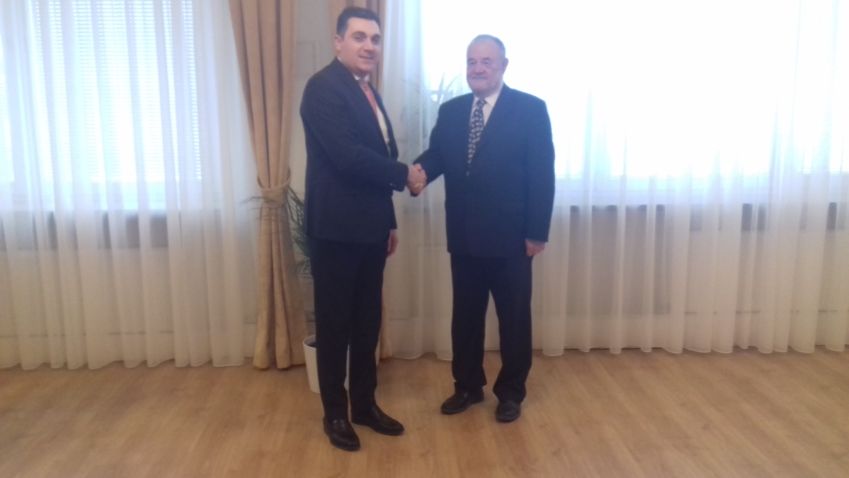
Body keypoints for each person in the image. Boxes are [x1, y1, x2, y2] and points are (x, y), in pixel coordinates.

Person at [300, 6, 425, 451]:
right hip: (335, 231)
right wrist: (405, 174)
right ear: (338, 42)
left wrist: (388, 222)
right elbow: (348, 157)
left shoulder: (368, 90)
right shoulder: (323, 88)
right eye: (358, 37)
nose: (369, 46)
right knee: (335, 325)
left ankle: (365, 405)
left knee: (368, 321)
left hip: (370, 230)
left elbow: (376, 159)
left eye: (374, 39)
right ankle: (335, 413)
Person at [413, 34, 555, 423]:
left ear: (503, 66)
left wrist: (536, 232)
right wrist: (416, 174)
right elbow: (438, 155)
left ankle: (511, 392)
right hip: (464, 236)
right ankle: (467, 386)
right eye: (472, 61)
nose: (478, 68)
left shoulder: (530, 109)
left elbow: (542, 175)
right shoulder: (452, 111)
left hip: (512, 240)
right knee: (465, 318)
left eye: (486, 61)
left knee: (514, 320)